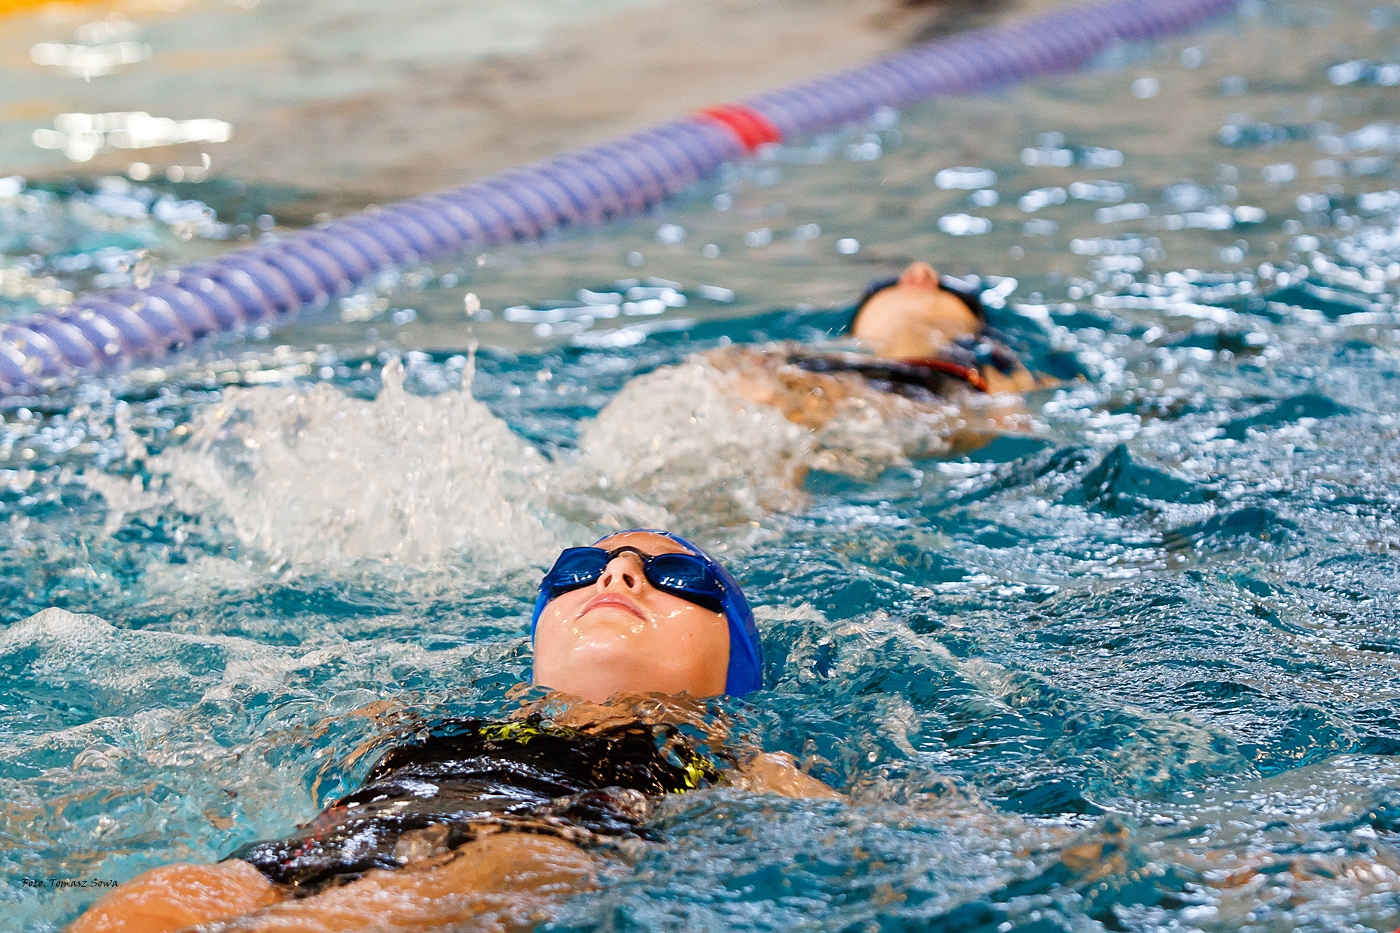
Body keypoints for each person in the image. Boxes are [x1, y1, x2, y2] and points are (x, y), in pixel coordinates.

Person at [67, 530, 833, 933]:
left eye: (678, 576)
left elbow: (872, 834)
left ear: (734, 655)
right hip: (337, 837)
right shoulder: (432, 720)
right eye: (580, 565)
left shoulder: (727, 757)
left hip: (532, 844)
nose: (618, 573)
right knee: (168, 895)